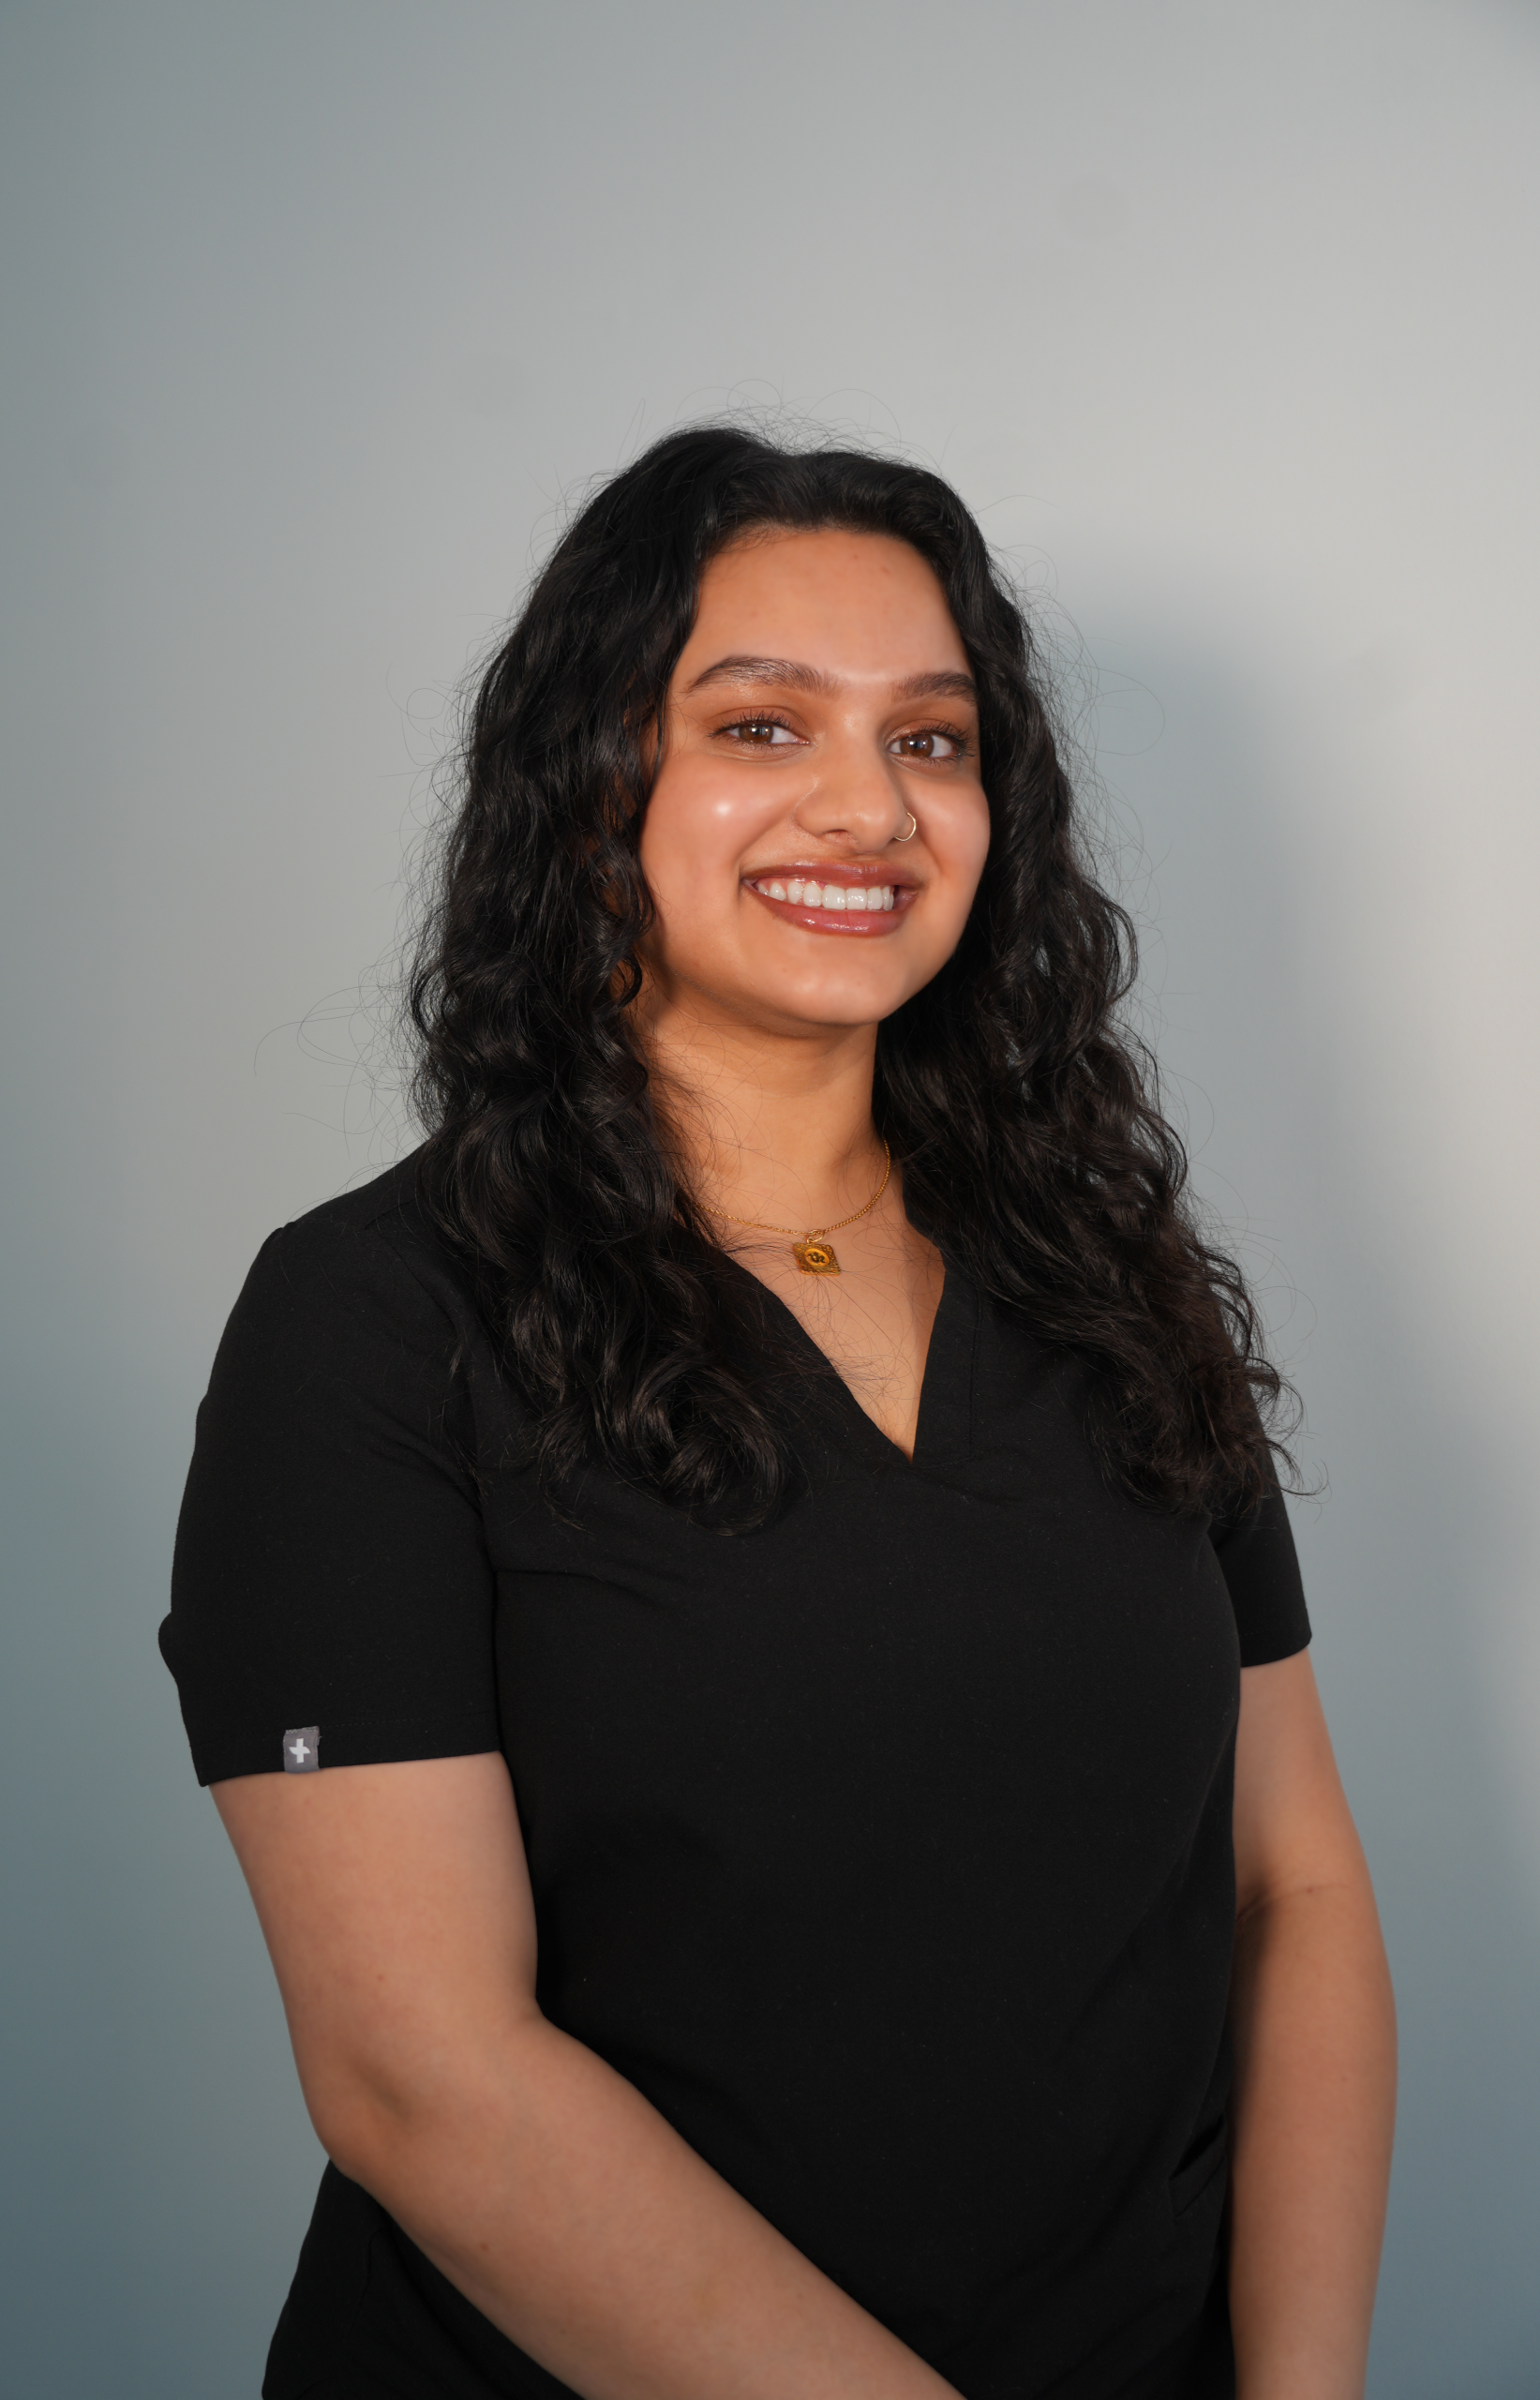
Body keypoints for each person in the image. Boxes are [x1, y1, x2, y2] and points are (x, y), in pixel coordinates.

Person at [160, 427, 1396, 2400]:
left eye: (930, 737)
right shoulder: (372, 1324)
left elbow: (1294, 1882)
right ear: (590, 799)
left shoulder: (1106, 1269)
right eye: (758, 727)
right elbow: (423, 2078)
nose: (867, 805)